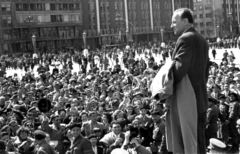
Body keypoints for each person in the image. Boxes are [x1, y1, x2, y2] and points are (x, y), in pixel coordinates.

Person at [167, 8, 209, 154]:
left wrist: (165, 72)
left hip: (188, 102)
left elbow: (179, 70)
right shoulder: (201, 38)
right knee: (199, 143)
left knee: (190, 144)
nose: (172, 25)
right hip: (200, 99)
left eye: (174, 22)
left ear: (185, 21)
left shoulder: (185, 39)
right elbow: (206, 72)